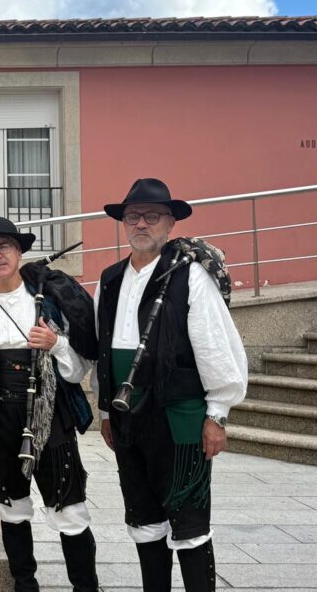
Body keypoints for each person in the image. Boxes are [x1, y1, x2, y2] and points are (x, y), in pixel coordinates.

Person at [94, 179, 248, 592]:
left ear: (170, 222)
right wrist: (106, 411)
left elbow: (216, 347)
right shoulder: (109, 279)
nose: (141, 224)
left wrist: (217, 414)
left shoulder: (190, 276)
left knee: (189, 520)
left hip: (179, 415)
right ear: (123, 223)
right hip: (128, 417)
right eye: (133, 216)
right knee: (143, 519)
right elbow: (105, 350)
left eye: (152, 216)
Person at [0, 217, 99, 592]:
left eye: (4, 246)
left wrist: (56, 344)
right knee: (11, 507)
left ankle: (86, 587)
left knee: (70, 508)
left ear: (18, 252)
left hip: (51, 412)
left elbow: (79, 369)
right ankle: (24, 584)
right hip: (1, 417)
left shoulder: (49, 301)